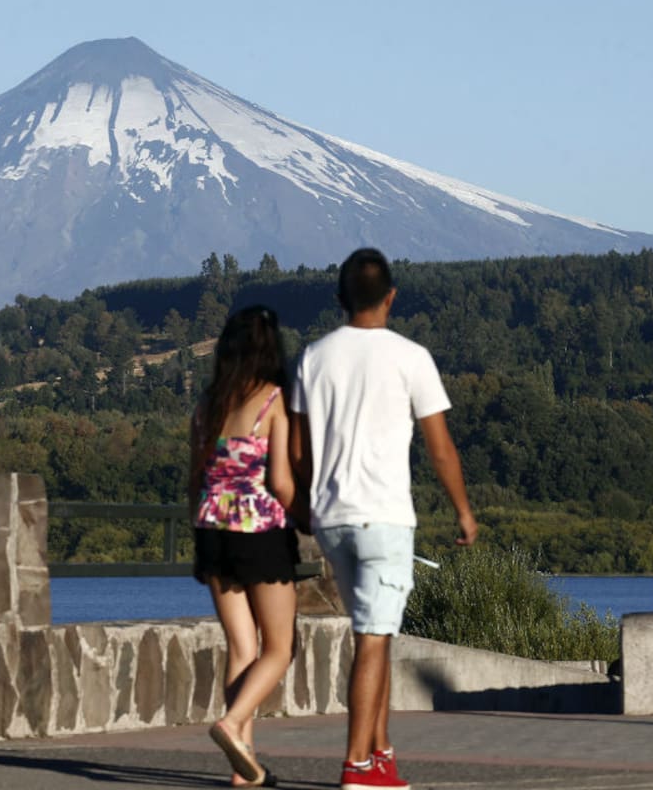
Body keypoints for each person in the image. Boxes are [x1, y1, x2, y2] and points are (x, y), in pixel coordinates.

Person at [289, 248, 478, 790]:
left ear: (340, 299)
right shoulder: (410, 356)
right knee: (373, 637)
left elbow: (300, 450)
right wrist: (463, 511)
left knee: (377, 634)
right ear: (391, 297)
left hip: (331, 518)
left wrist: (305, 505)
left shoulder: (313, 357)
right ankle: (357, 766)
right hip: (385, 518)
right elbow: (441, 448)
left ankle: (382, 754)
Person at [191, 306, 299, 788]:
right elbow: (280, 480)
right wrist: (305, 515)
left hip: (212, 529)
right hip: (260, 533)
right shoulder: (272, 400)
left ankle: (244, 767)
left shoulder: (208, 404)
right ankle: (233, 725)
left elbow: (196, 476)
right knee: (279, 647)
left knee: (241, 646)